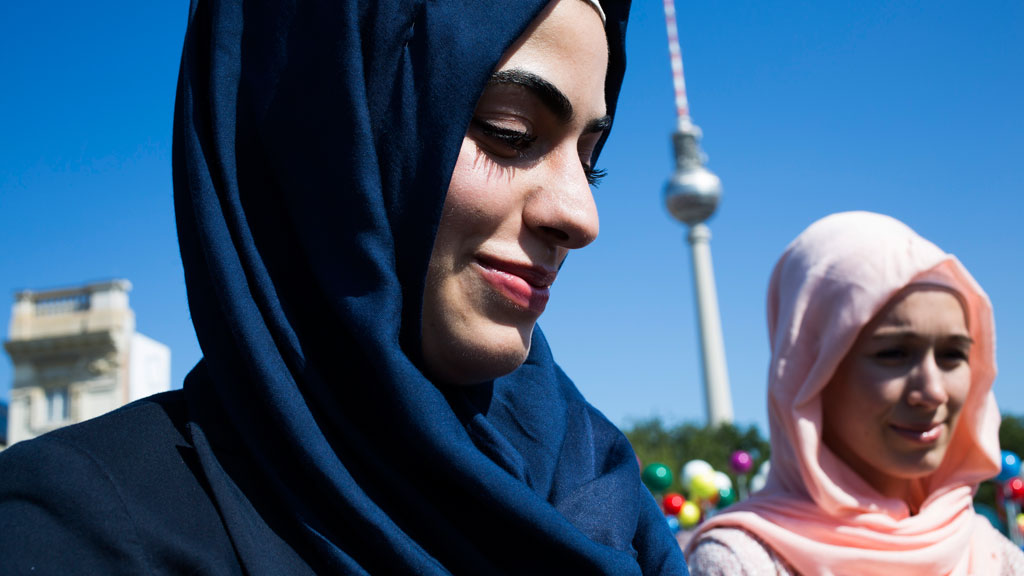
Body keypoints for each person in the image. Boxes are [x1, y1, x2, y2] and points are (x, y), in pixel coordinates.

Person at [0, 0, 689, 574]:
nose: (579, 215)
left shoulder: (602, 490)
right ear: (325, 135)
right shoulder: (77, 533)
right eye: (508, 132)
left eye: (590, 160)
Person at [684, 211, 1024, 575]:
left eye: (953, 355)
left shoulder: (990, 552)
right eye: (893, 353)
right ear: (809, 373)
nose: (932, 391)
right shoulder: (741, 562)